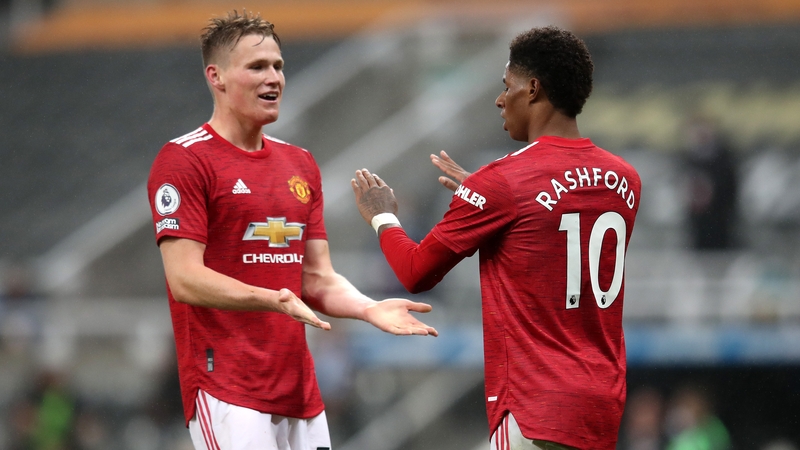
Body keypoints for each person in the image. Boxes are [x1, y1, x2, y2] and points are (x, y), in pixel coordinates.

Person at [147, 10, 438, 450]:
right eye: (257, 67)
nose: (274, 78)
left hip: (300, 390)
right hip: (226, 387)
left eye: (279, 66)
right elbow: (184, 278)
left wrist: (367, 309)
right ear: (217, 76)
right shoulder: (184, 160)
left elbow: (316, 278)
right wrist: (272, 298)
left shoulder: (299, 163)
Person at [351, 26, 641, 450]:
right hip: (600, 407)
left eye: (507, 86)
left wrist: (382, 218)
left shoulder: (503, 182)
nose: (499, 99)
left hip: (533, 408)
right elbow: (550, 222)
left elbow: (415, 271)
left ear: (534, 89)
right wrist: (487, 195)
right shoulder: (624, 179)